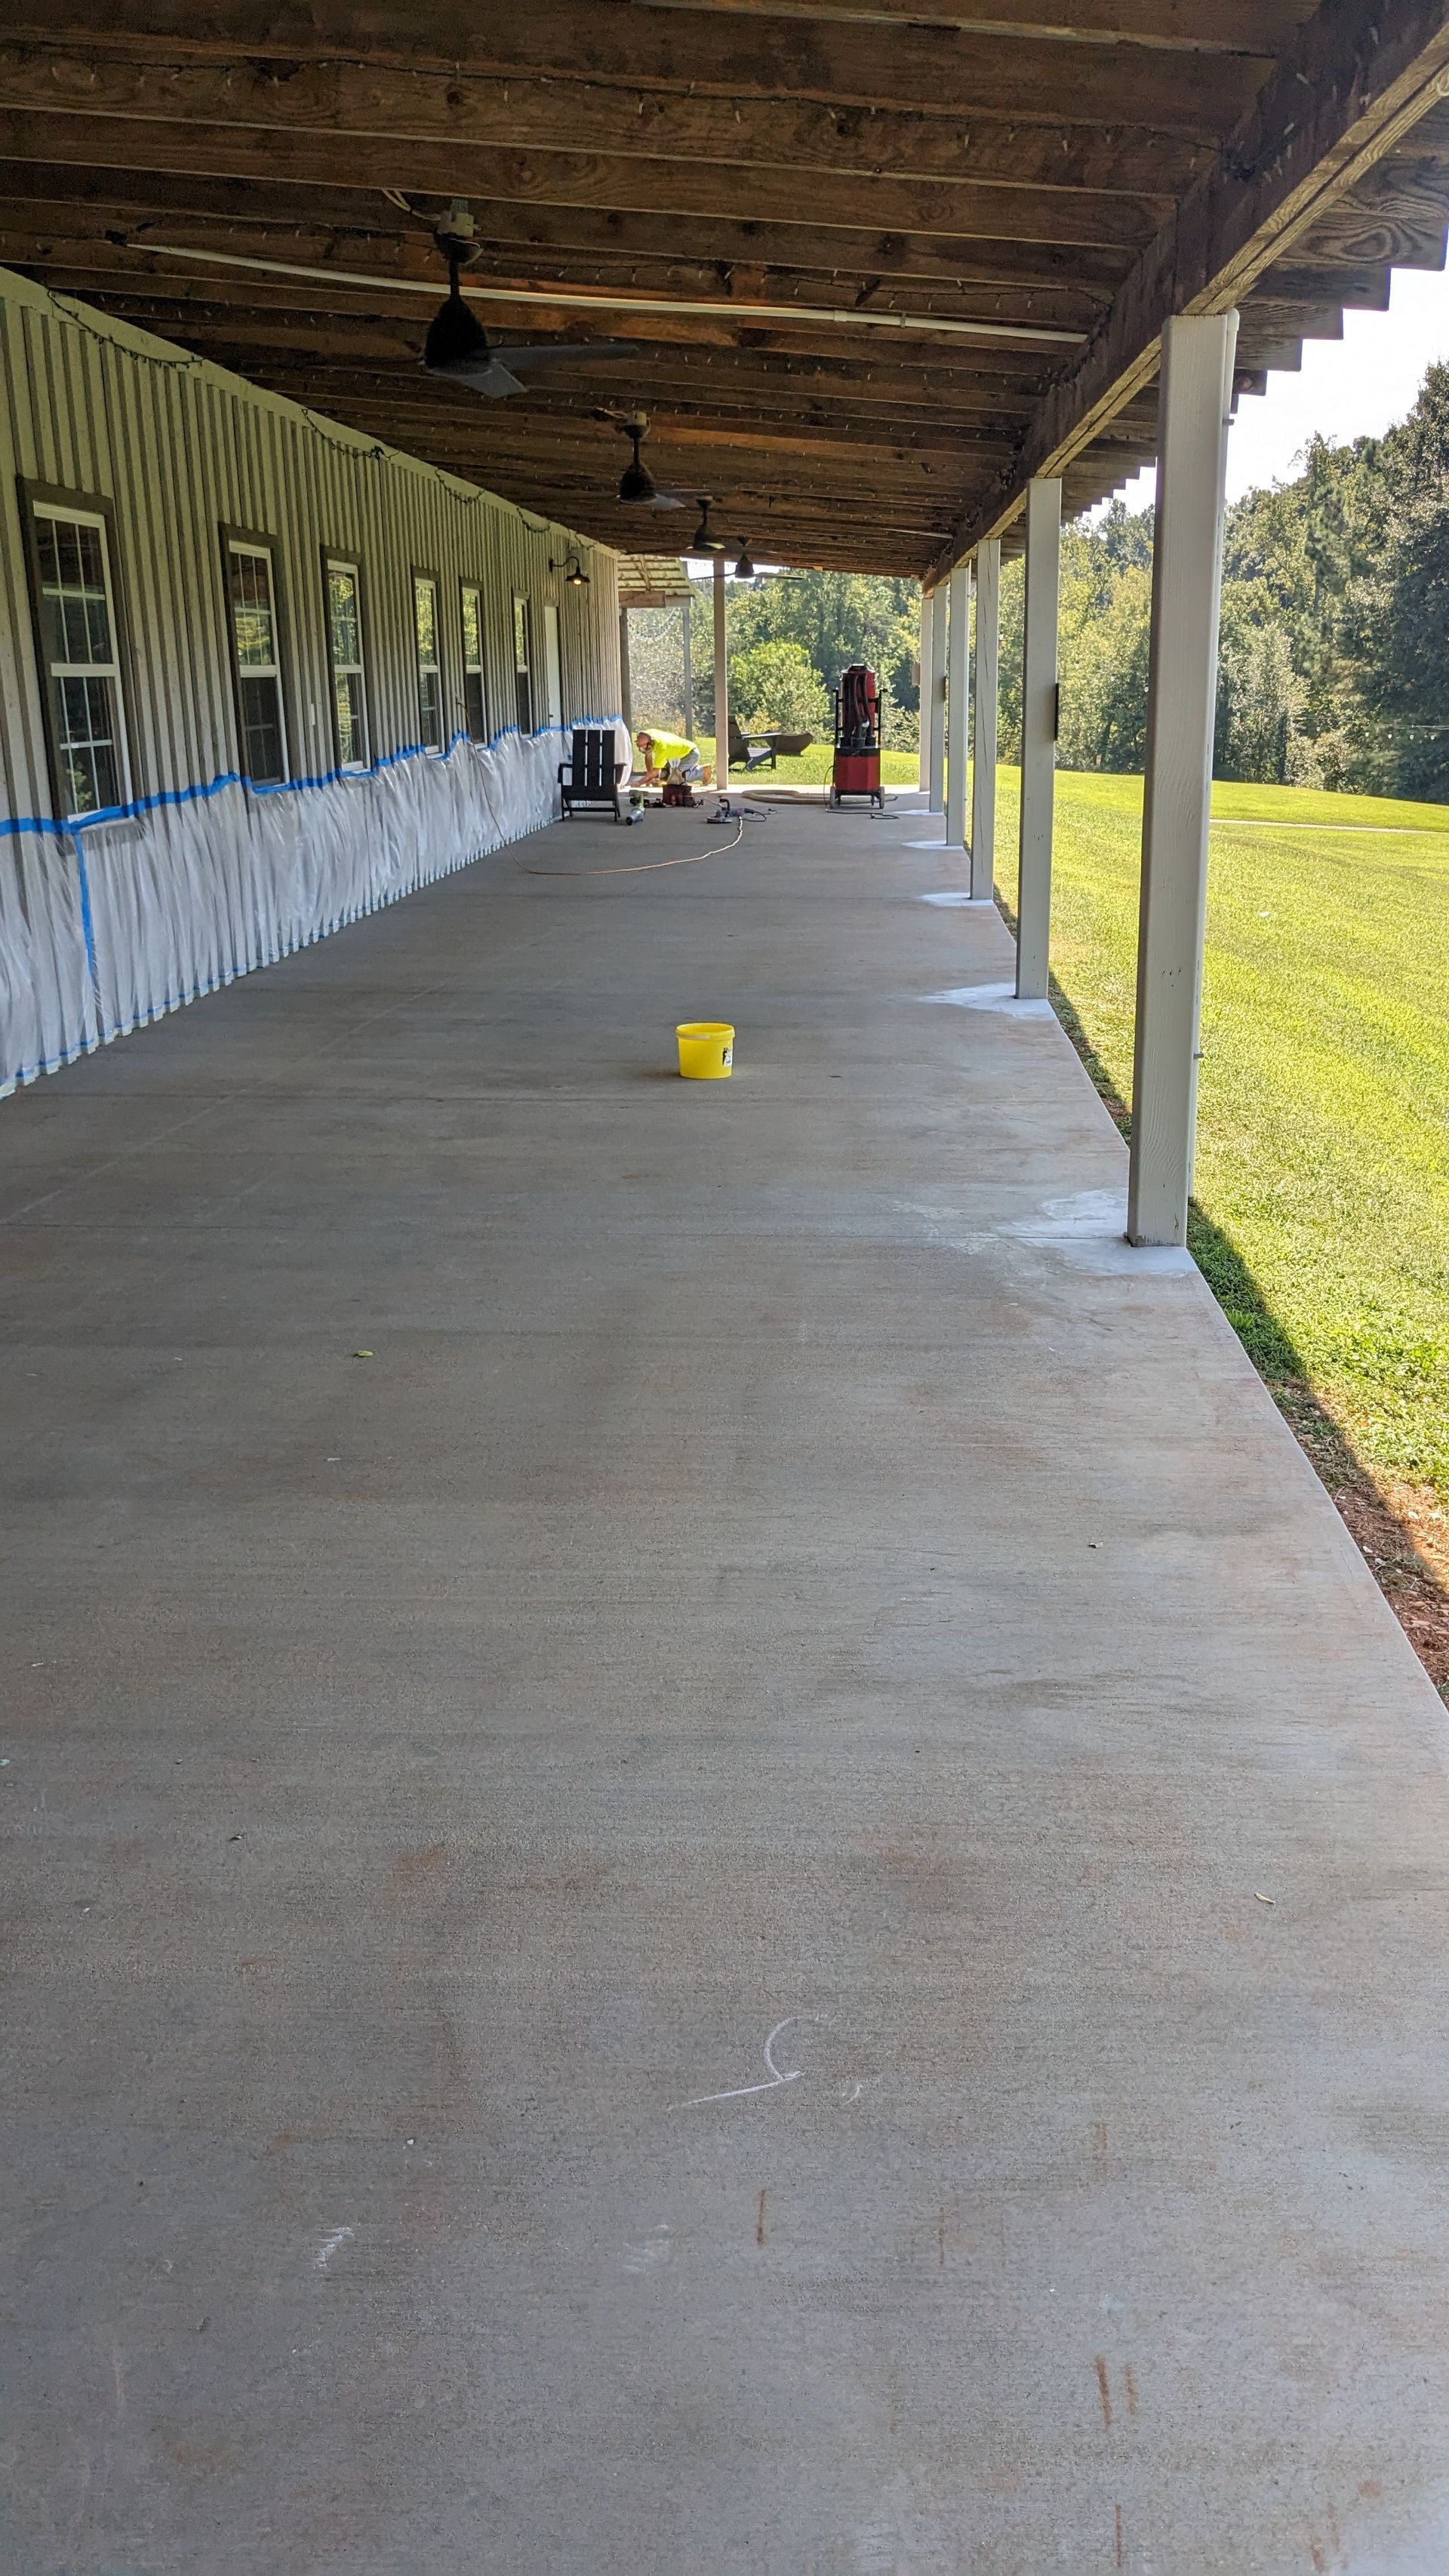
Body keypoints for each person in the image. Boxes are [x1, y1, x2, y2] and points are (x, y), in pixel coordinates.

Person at [635, 725, 701, 783]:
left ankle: (702, 772)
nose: (643, 749)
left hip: (691, 753)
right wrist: (650, 776)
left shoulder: (662, 748)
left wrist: (639, 783)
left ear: (650, 743)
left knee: (675, 778)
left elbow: (656, 771)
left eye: (644, 747)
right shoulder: (648, 734)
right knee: (665, 777)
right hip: (676, 756)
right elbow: (648, 756)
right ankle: (689, 768)